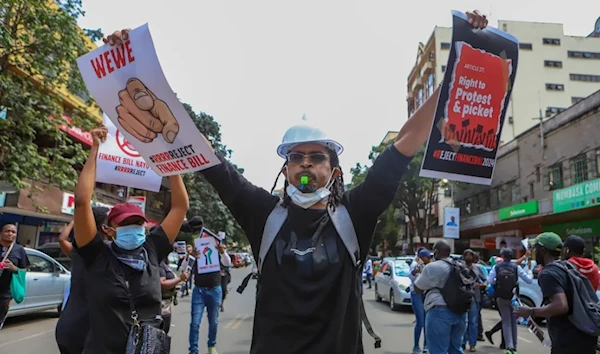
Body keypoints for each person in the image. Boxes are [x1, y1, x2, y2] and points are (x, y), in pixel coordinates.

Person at [73, 127, 189, 353]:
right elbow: (81, 202)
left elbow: (180, 207)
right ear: (108, 230)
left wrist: (169, 160)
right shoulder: (95, 255)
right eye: (125, 224)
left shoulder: (151, 249)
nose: (133, 229)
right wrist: (95, 149)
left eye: (138, 224)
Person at [516, 232, 598, 354]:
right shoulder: (566, 267)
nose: (534, 252)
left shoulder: (548, 273)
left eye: (535, 248)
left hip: (569, 341)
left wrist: (531, 311)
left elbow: (561, 306)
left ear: (543, 250)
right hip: (585, 335)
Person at [55, 210, 109, 354]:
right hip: (89, 333)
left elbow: (61, 239)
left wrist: (75, 221)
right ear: (105, 227)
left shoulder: (76, 252)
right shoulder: (109, 253)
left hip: (66, 328)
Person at [414, 240, 469, 354]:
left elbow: (418, 288)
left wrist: (419, 274)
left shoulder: (432, 267)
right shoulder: (460, 265)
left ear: (436, 252)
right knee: (456, 349)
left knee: (438, 350)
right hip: (460, 312)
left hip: (439, 311)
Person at [188, 239, 232, 354]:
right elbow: (185, 268)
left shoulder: (217, 253)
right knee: (195, 323)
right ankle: (193, 350)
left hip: (214, 290)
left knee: (214, 321)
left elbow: (228, 263)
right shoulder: (196, 254)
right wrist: (190, 256)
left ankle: (211, 345)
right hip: (199, 291)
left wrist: (222, 252)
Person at [486, 248, 532, 354]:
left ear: (502, 257)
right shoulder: (516, 267)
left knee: (506, 322)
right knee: (513, 322)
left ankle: (509, 347)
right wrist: (529, 270)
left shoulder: (496, 267)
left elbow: (489, 281)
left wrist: (496, 282)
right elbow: (528, 280)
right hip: (513, 298)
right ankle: (514, 348)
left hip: (501, 298)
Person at [0, 224, 29, 330]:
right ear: (1, 233)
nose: (10, 234)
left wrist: (14, 268)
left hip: (5, 294)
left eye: (13, 232)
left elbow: (24, 271)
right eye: (7, 231)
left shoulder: (19, 250)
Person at [408, 248, 433, 354]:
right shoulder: (415, 265)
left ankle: (426, 345)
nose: (430, 259)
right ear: (421, 258)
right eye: (428, 257)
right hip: (416, 294)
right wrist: (416, 271)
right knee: (420, 322)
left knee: (427, 321)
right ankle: (416, 346)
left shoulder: (430, 266)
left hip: (426, 294)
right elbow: (411, 277)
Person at [462, 249, 486, 352]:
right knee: (463, 322)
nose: (468, 257)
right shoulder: (460, 268)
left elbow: (485, 280)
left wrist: (480, 285)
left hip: (474, 298)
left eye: (470, 255)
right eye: (466, 255)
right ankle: (462, 343)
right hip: (462, 298)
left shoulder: (477, 268)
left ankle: (472, 344)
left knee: (473, 322)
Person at [159, 256, 189, 334]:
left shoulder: (163, 262)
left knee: (164, 334)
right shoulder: (159, 264)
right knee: (158, 336)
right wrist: (180, 279)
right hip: (160, 305)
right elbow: (162, 283)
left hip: (166, 304)